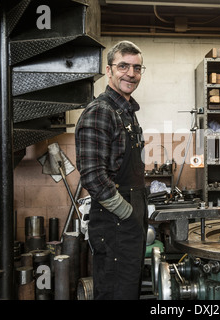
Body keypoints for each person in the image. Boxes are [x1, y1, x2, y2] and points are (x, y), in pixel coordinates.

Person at [75, 40, 148, 300]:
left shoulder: (126, 112)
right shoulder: (100, 112)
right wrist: (127, 213)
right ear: (109, 70)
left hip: (129, 221)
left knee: (127, 290)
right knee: (115, 292)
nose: (131, 73)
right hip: (115, 223)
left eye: (137, 68)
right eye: (123, 66)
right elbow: (93, 177)